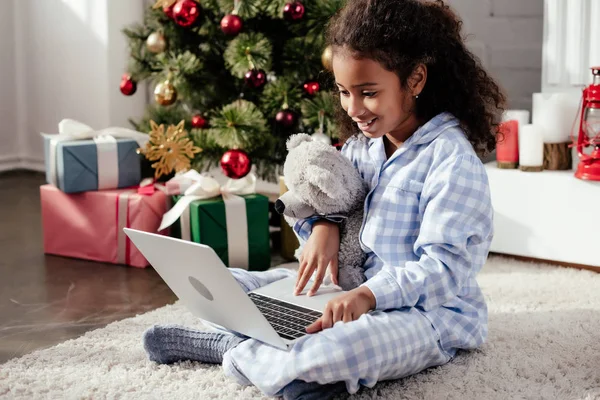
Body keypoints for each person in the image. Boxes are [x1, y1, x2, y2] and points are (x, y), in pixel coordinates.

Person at [142, 0, 506, 399]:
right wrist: (323, 225)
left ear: (416, 79)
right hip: (346, 291)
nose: (353, 109)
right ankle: (275, 356)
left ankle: (238, 350)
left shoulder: (452, 161)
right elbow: (331, 197)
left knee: (344, 349)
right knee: (228, 286)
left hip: (428, 312)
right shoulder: (363, 147)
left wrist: (369, 296)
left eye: (368, 93)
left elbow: (446, 270)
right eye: (343, 92)